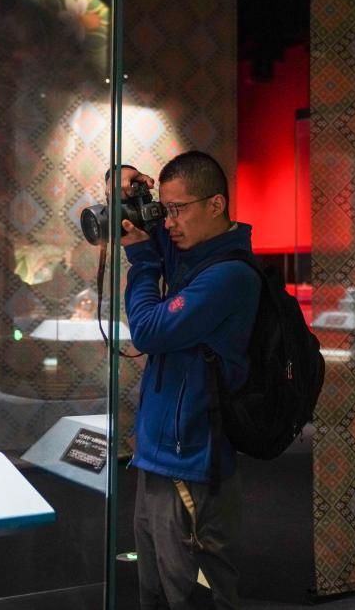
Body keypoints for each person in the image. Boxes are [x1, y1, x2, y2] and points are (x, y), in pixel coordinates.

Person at [113, 151, 260, 610]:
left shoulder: (229, 275)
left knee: (193, 593)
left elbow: (148, 331)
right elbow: (133, 222)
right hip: (160, 455)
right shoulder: (189, 253)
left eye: (178, 209)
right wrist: (125, 185)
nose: (169, 222)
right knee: (155, 589)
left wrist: (142, 263)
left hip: (193, 459)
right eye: (165, 208)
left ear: (216, 204)